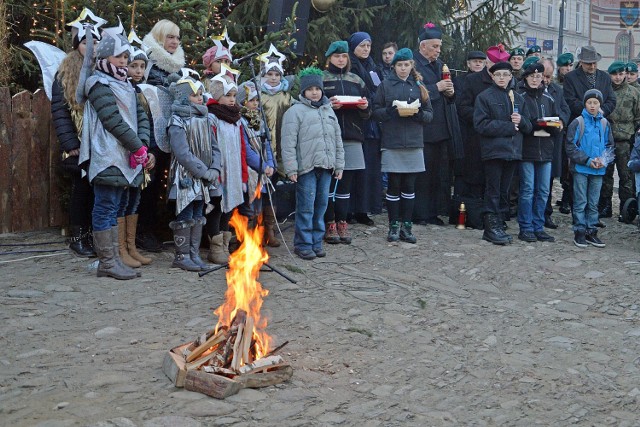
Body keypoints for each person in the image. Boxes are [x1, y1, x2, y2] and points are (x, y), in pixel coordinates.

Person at [78, 25, 150, 280]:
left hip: (126, 154)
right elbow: (112, 120)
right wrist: (137, 146)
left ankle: (115, 258)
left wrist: (144, 145)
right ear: (105, 56)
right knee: (106, 206)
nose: (123, 61)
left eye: (125, 57)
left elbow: (139, 116)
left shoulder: (127, 85)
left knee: (116, 204)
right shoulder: (97, 83)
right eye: (119, 56)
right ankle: (108, 262)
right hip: (107, 154)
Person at [51, 9, 103, 257]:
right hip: (79, 144)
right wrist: (71, 143)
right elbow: (60, 112)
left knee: (100, 190)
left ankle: (97, 234)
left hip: (101, 144)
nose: (91, 46)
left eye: (95, 41)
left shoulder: (105, 70)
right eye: (86, 42)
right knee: (82, 189)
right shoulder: (65, 74)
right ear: (77, 45)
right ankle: (79, 236)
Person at [281, 67, 344, 260]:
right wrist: (291, 167)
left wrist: (339, 165)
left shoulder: (328, 112)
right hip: (306, 168)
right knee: (306, 206)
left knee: (321, 205)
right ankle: (303, 243)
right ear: (303, 91)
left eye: (318, 88)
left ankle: (317, 242)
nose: (314, 92)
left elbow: (337, 140)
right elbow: (288, 142)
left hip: (326, 167)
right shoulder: (295, 112)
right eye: (310, 89)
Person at [372, 48, 433, 243]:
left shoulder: (419, 86)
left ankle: (407, 226)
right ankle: (393, 225)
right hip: (393, 141)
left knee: (409, 185)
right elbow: (375, 111)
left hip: (414, 142)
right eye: (400, 65)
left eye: (407, 65)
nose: (403, 68)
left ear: (412, 66)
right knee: (394, 184)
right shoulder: (385, 85)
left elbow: (430, 114)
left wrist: (418, 114)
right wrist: (390, 111)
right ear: (394, 66)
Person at [137, 20, 186, 252]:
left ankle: (157, 228)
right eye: (170, 37)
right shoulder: (146, 63)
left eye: (177, 37)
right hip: (149, 135)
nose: (175, 42)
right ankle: (142, 232)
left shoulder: (178, 68)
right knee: (149, 185)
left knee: (163, 186)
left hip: (171, 133)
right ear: (158, 38)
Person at [473, 61, 532, 245]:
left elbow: (528, 126)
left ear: (510, 77)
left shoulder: (518, 98)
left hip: (513, 152)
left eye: (505, 75)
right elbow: (481, 125)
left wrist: (521, 121)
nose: (501, 78)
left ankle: (499, 223)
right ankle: (490, 227)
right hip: (494, 152)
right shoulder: (484, 97)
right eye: (498, 75)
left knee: (504, 191)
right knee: (493, 191)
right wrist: (508, 126)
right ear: (492, 76)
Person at [166, 76, 221, 271]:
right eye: (193, 95)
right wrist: (202, 170)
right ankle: (182, 255)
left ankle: (194, 254)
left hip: (204, 177)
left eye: (200, 94)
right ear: (183, 97)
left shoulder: (206, 119)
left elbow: (215, 147)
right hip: (186, 176)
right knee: (186, 212)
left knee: (199, 212)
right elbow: (182, 153)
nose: (199, 98)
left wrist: (215, 168)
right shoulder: (177, 121)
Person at [322, 40, 369, 245]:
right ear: (329, 58)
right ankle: (329, 222)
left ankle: (342, 221)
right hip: (328, 137)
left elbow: (369, 111)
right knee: (329, 182)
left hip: (352, 135)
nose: (340, 60)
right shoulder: (322, 79)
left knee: (346, 183)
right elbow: (314, 105)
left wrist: (364, 107)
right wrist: (328, 105)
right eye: (336, 56)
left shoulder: (356, 79)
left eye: (343, 56)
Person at [412, 23, 459, 226]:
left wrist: (450, 93)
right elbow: (414, 91)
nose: (438, 50)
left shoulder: (440, 65)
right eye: (435, 46)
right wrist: (437, 87)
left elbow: (448, 93)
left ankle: (433, 211)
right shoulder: (413, 65)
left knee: (439, 174)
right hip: (424, 128)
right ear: (423, 46)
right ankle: (420, 213)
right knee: (423, 174)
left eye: (439, 46)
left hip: (442, 127)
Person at [563, 46, 617, 218]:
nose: (592, 67)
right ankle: (577, 213)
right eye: (588, 64)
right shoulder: (571, 77)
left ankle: (594, 214)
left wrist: (601, 111)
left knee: (597, 178)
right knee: (578, 175)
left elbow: (611, 99)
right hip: (580, 124)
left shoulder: (604, 77)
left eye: (594, 63)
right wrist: (589, 110)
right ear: (582, 62)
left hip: (599, 124)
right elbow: (570, 100)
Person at [117, 41, 155, 269]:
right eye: (134, 65)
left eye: (142, 66)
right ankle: (120, 248)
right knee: (122, 200)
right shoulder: (121, 89)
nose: (138, 71)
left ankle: (131, 247)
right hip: (124, 154)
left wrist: (147, 149)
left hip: (140, 155)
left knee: (134, 199)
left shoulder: (140, 92)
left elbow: (146, 124)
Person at [456, 44, 510, 199]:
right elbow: (463, 107)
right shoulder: (472, 80)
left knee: (499, 181)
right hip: (477, 137)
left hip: (501, 140)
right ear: (488, 63)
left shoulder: (509, 82)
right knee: (476, 178)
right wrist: (482, 117)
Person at [205, 68, 248, 264]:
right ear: (217, 96)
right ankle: (214, 247)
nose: (232, 100)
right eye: (227, 95)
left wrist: (244, 175)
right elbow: (209, 147)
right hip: (219, 172)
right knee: (216, 208)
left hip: (234, 172)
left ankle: (224, 244)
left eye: (234, 95)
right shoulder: (212, 118)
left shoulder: (236, 120)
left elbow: (241, 149)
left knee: (229, 209)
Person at [516, 60, 561, 243]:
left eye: (538, 76)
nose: (535, 79)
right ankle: (525, 226)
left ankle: (538, 225)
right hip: (527, 150)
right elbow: (523, 125)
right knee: (527, 190)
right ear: (526, 77)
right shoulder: (520, 97)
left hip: (546, 151)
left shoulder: (548, 99)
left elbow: (556, 126)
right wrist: (539, 126)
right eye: (532, 76)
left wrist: (540, 126)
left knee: (543, 191)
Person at [565, 89, 614, 248]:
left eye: (596, 103)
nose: (592, 106)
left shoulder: (605, 123)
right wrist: (587, 160)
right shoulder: (578, 122)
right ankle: (579, 231)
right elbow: (571, 147)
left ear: (600, 104)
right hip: (581, 169)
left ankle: (591, 231)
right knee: (581, 201)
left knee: (594, 202)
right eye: (589, 102)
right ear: (585, 104)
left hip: (598, 170)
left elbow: (609, 146)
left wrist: (603, 160)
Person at [236, 81, 278, 246]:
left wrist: (271, 164)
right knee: (249, 209)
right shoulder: (240, 122)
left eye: (257, 100)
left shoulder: (260, 120)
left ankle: (256, 241)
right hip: (251, 172)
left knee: (259, 208)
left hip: (263, 171)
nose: (256, 103)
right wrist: (262, 165)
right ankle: (244, 242)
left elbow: (267, 144)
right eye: (251, 100)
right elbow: (246, 149)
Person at [348, 31, 383, 223]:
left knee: (369, 168)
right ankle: (350, 209)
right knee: (355, 168)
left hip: (372, 123)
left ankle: (364, 208)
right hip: (356, 120)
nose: (366, 49)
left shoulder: (373, 66)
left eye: (368, 45)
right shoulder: (350, 65)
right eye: (362, 45)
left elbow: (379, 88)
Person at [600, 61, 640, 220]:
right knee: (606, 175)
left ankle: (627, 208)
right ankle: (605, 206)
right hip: (607, 139)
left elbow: (638, 116)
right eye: (615, 74)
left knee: (626, 176)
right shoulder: (605, 91)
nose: (618, 77)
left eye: (621, 74)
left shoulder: (633, 92)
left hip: (626, 140)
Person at [540, 57, 571, 230]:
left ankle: (546, 212)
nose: (546, 80)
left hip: (552, 141)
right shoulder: (528, 89)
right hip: (534, 141)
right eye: (544, 75)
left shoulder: (556, 90)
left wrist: (561, 122)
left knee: (549, 180)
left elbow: (565, 110)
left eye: (549, 76)